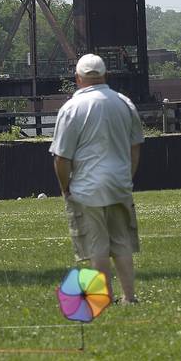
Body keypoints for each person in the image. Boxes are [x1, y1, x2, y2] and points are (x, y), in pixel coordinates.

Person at [49, 53, 144, 303]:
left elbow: (61, 158)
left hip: (87, 187)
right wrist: (128, 177)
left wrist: (65, 187)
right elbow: (135, 147)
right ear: (105, 75)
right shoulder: (124, 103)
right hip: (120, 183)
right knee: (122, 242)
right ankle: (130, 297)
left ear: (78, 78)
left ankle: (104, 298)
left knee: (97, 246)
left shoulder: (71, 108)